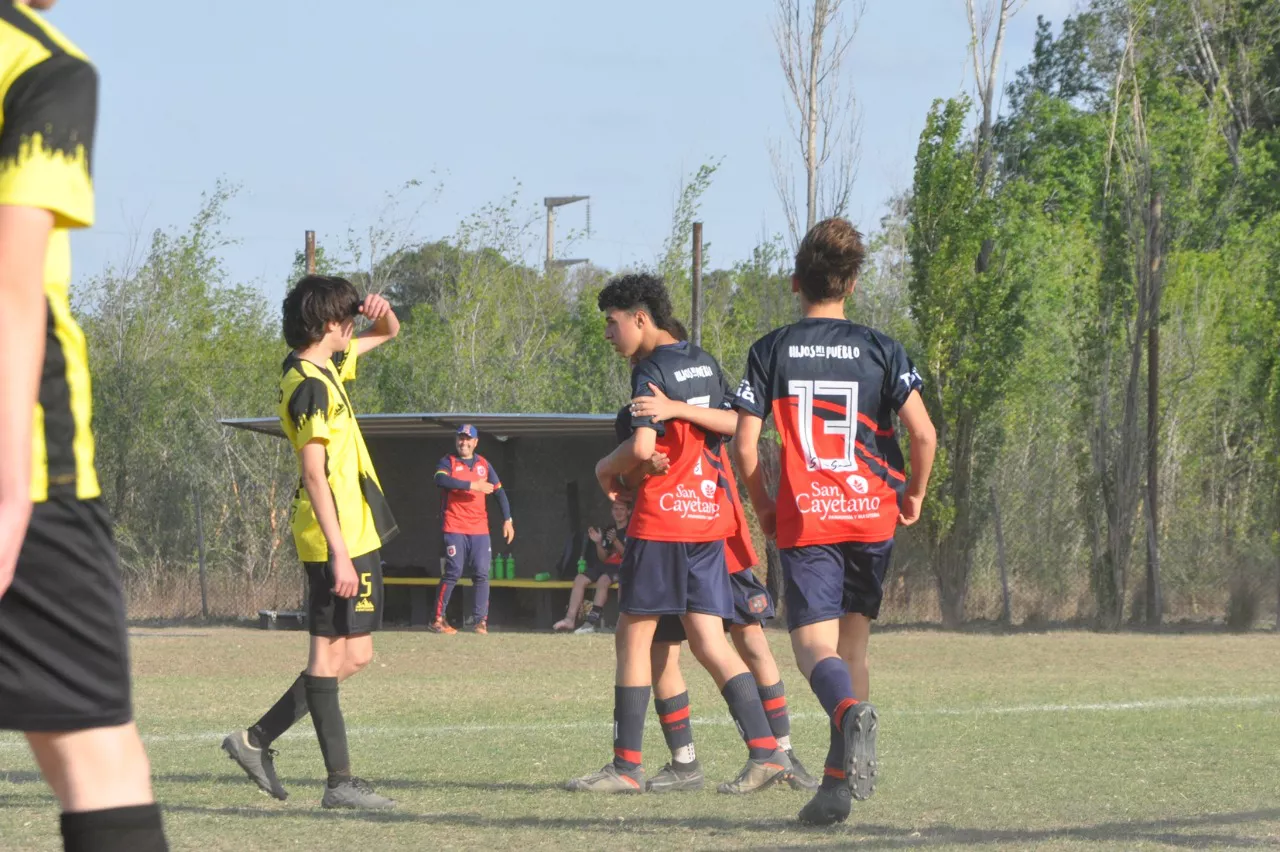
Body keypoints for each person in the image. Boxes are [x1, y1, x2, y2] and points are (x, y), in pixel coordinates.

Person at [0, 3, 170, 849]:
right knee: (99, 762)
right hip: (29, 466)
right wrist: (6, 498)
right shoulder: (40, 67)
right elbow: (10, 286)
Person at [732, 218, 937, 825]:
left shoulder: (772, 348)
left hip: (810, 520)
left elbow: (746, 447)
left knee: (813, 651)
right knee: (854, 650)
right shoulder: (882, 348)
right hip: (872, 515)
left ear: (797, 281)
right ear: (851, 284)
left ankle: (848, 719)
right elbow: (922, 434)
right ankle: (837, 787)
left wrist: (764, 504)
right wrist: (915, 495)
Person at [565, 274, 790, 795]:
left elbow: (643, 449)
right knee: (710, 640)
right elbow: (737, 422)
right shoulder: (704, 361)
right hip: (706, 522)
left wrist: (604, 467)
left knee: (633, 636)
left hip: (662, 521)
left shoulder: (650, 370)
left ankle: (625, 767)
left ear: (640, 318)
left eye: (612, 322)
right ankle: (766, 752)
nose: (608, 334)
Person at [221, 275, 400, 810]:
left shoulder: (330, 366)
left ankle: (254, 740)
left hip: (359, 529)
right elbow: (315, 475)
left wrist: (379, 311)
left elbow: (389, 333)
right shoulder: (309, 384)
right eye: (348, 319)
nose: (355, 327)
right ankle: (340, 782)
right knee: (325, 655)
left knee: (357, 655)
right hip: (333, 538)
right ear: (328, 325)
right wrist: (339, 551)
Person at [630, 385, 818, 794]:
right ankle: (685, 763)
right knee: (662, 649)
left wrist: (676, 406)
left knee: (749, 640)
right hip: (673, 539)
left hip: (720, 539)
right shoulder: (647, 405)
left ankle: (782, 751)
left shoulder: (699, 390)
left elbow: (741, 422)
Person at [430, 424, 514, 634]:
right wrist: (472, 486)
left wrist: (508, 520)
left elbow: (499, 492)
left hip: (479, 529)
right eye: (461, 438)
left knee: (481, 573)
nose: (464, 442)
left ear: (476, 442)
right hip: (454, 525)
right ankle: (438, 619)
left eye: (468, 439)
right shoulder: (448, 461)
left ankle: (480, 622)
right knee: (454, 571)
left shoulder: (484, 464)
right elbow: (440, 479)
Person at [553, 499, 629, 634]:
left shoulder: (631, 530)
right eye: (615, 509)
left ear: (628, 512)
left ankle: (590, 622)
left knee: (603, 580)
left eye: (621, 509)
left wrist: (615, 541)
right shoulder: (609, 530)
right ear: (611, 511)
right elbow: (603, 558)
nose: (618, 512)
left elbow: (627, 555)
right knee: (580, 578)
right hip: (606, 566)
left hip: (622, 567)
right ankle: (569, 619)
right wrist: (598, 543)